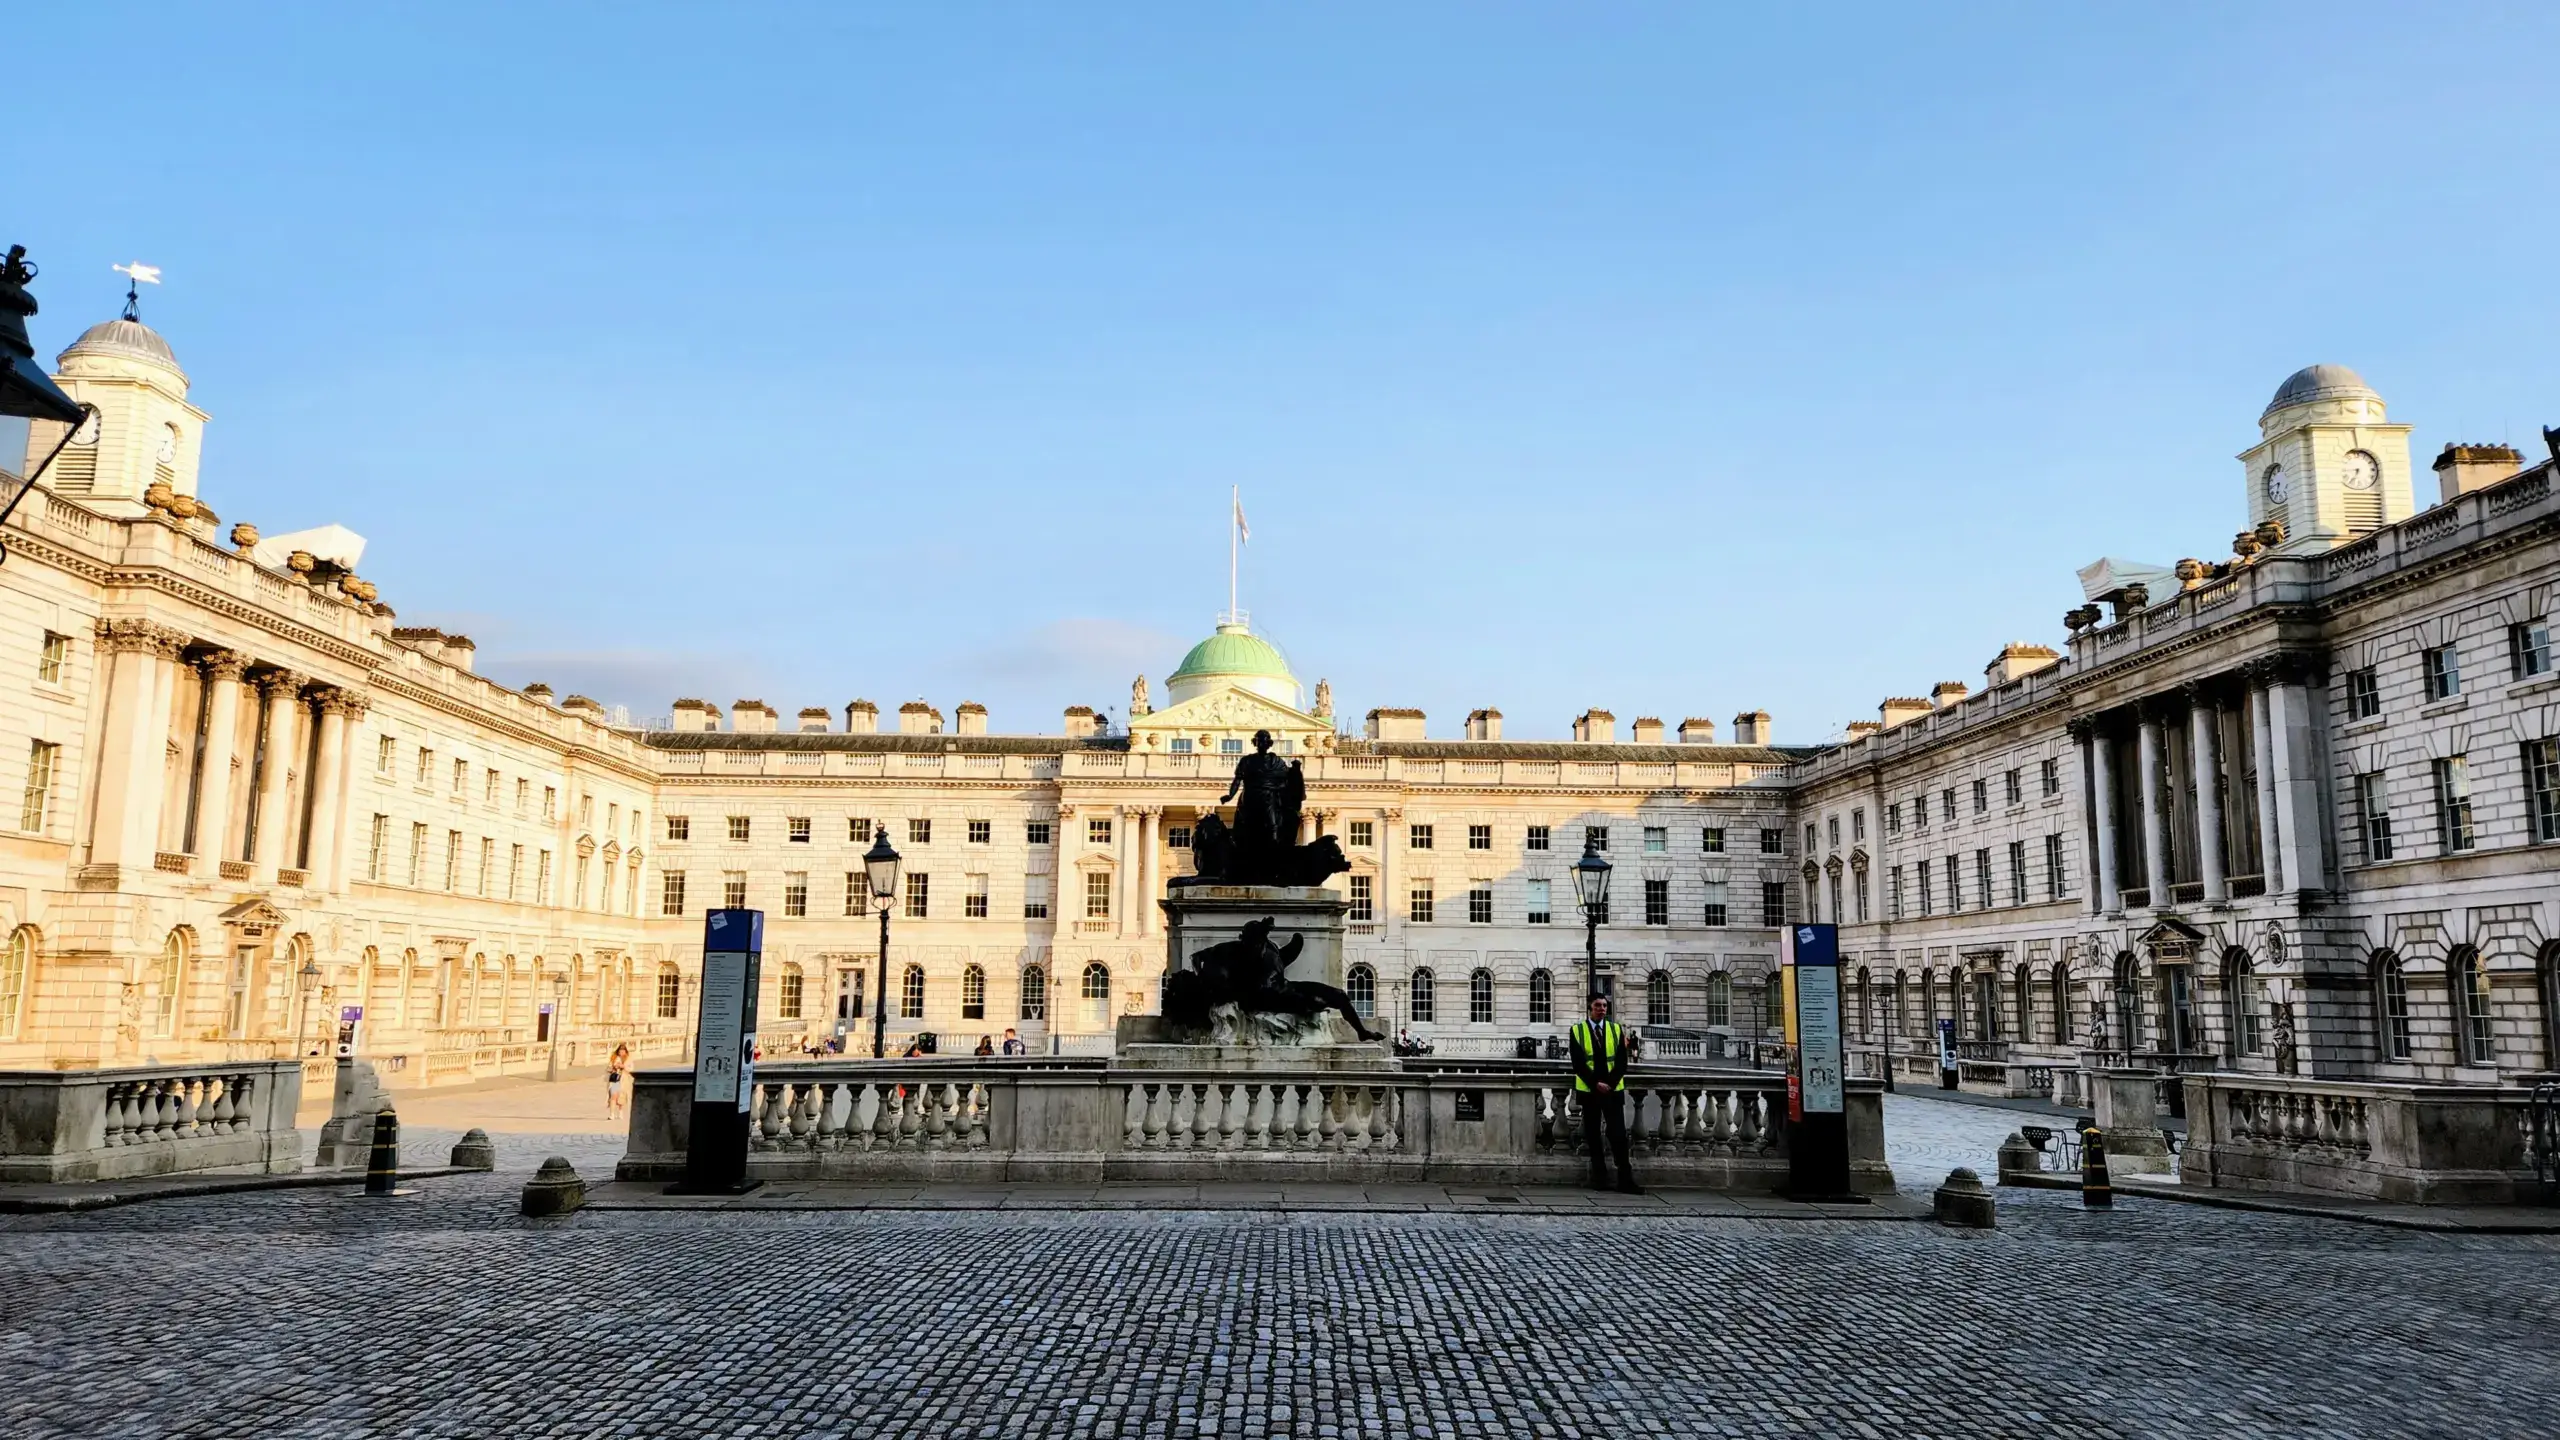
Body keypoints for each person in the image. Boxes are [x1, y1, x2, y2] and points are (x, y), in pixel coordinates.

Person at [1569, 994, 1639, 1193]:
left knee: (1618, 1135)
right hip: (1590, 1090)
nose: (1602, 1009)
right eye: (1598, 1005)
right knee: (1593, 1136)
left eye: (1605, 1006)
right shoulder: (1577, 1030)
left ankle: (1625, 1180)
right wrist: (1595, 1084)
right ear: (1589, 1008)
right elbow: (1578, 1063)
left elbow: (1621, 1061)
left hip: (1612, 1090)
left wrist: (1610, 1083)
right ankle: (1600, 1179)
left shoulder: (1616, 1029)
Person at [604, 1043, 631, 1119]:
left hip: (623, 1081)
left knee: (621, 1097)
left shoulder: (628, 1059)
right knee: (613, 1096)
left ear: (625, 1051)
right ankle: (612, 1114)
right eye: (620, 1050)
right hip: (615, 1080)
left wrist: (623, 1067)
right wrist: (613, 1067)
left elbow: (631, 1069)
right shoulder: (614, 1058)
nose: (621, 1052)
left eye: (623, 1051)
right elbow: (607, 1068)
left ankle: (620, 1111)